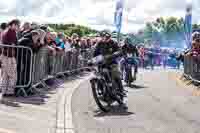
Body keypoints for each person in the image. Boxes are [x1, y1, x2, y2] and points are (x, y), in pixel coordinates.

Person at [93, 32, 127, 108]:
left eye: (107, 37)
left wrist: (114, 54)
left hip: (112, 63)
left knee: (116, 74)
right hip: (102, 64)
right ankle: (101, 90)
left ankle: (121, 94)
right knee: (99, 74)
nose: (105, 39)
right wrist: (91, 60)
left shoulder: (113, 43)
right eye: (104, 37)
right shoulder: (99, 44)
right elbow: (95, 54)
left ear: (109, 37)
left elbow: (119, 50)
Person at [0, 19, 20, 96]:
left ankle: (6, 91)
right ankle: (7, 91)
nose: (17, 26)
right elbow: (5, 42)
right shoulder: (8, 31)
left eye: (17, 25)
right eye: (15, 25)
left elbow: (16, 42)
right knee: (10, 74)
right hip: (7, 55)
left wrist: (14, 44)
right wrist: (12, 44)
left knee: (7, 74)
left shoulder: (12, 32)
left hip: (9, 55)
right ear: (11, 24)